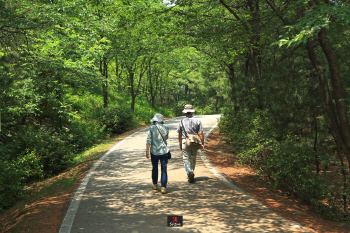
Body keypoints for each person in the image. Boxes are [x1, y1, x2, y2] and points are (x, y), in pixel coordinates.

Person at [177, 104, 204, 183]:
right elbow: (201, 133)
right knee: (193, 158)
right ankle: (191, 171)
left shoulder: (181, 121)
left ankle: (189, 172)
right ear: (192, 112)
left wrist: (180, 144)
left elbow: (179, 134)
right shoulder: (198, 121)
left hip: (185, 141)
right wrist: (202, 144)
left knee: (186, 158)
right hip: (195, 142)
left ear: (185, 113)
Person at [146, 113, 169, 194]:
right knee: (164, 169)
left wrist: (147, 151)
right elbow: (166, 138)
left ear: (154, 120)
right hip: (164, 151)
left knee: (155, 168)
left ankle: (155, 184)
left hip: (154, 151)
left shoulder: (151, 128)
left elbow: (148, 140)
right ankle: (163, 187)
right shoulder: (166, 127)